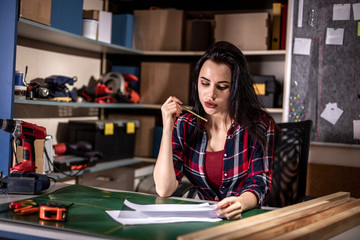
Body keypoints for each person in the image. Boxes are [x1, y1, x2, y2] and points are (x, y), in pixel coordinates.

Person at [153, 41, 278, 220]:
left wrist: (240, 203)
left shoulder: (260, 125)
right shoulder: (185, 124)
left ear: (236, 88)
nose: (210, 95)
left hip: (245, 219)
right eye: (205, 83)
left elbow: (260, 183)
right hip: (204, 221)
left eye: (222, 87)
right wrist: (167, 128)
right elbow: (164, 189)